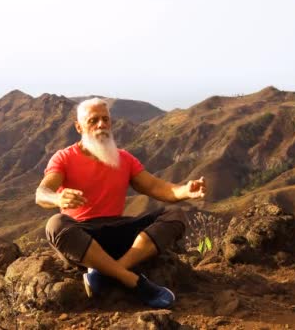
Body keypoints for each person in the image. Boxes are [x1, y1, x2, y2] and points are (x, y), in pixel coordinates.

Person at [35, 97, 206, 309]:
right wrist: (57, 198)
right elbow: (41, 193)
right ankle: (133, 281)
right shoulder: (63, 158)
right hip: (84, 239)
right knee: (55, 224)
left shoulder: (123, 158)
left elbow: (156, 187)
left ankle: (107, 273)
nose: (101, 124)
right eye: (93, 120)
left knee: (175, 215)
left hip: (118, 231)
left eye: (105, 119)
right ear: (79, 127)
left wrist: (185, 191)